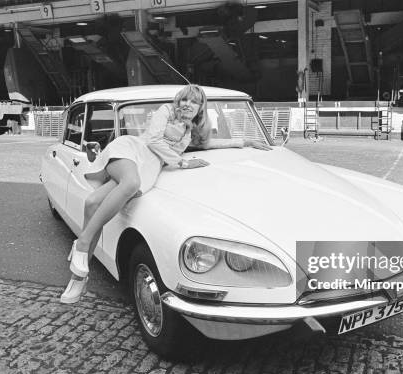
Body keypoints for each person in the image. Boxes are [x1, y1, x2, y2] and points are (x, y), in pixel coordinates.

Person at [61, 84, 271, 303]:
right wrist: (180, 161)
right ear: (178, 102)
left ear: (200, 107)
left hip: (149, 166)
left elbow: (209, 144)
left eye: (194, 102)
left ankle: (78, 277)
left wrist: (244, 141)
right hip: (131, 151)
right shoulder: (165, 111)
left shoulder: (192, 130)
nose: (188, 104)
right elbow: (152, 140)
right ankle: (83, 243)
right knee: (131, 183)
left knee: (93, 203)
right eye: (185, 100)